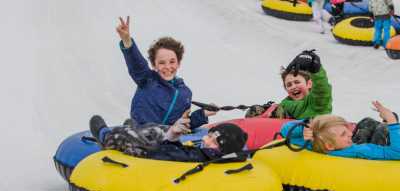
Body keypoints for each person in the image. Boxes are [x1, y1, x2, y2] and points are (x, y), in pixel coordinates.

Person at [115, 16, 216, 128]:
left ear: (178, 63)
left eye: (172, 62)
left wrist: (203, 114)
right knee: (129, 126)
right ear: (154, 65)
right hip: (142, 132)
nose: (168, 67)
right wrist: (127, 41)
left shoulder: (185, 93)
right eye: (162, 63)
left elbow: (184, 123)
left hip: (167, 137)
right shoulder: (147, 79)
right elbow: (137, 64)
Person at [281, 100, 400, 160]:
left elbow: (285, 130)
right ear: (329, 145)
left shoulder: (311, 143)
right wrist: (392, 121)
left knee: (366, 123)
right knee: (383, 131)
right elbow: (398, 152)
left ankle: (379, 124)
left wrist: (304, 127)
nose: (349, 132)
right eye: (344, 133)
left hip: (342, 146)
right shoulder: (360, 151)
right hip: (363, 148)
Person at [89, 113, 247, 162]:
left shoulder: (199, 157)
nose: (207, 140)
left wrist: (171, 137)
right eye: (210, 136)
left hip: (149, 156)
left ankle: (105, 134)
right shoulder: (205, 152)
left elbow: (165, 154)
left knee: (123, 137)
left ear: (222, 151)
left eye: (214, 142)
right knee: (156, 128)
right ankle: (132, 127)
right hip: (167, 146)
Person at [245, 50, 333, 120]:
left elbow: (322, 91)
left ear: (309, 84)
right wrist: (267, 111)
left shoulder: (317, 104)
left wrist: (316, 69)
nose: (293, 86)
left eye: (297, 82)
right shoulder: (284, 106)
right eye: (289, 85)